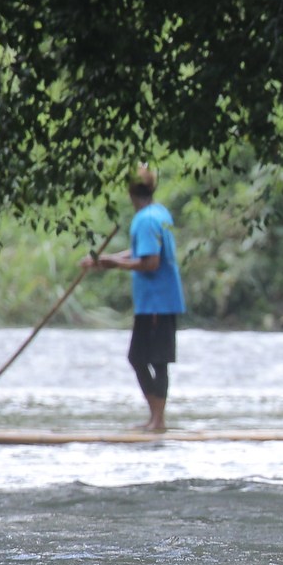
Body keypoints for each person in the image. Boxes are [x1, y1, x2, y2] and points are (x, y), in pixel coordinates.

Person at [82, 165, 186, 432]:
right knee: (142, 359)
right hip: (156, 301)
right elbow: (142, 250)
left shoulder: (145, 220)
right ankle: (155, 418)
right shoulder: (158, 213)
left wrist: (114, 264)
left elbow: (150, 262)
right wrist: (108, 260)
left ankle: (158, 421)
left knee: (151, 360)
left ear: (130, 192)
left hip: (157, 302)